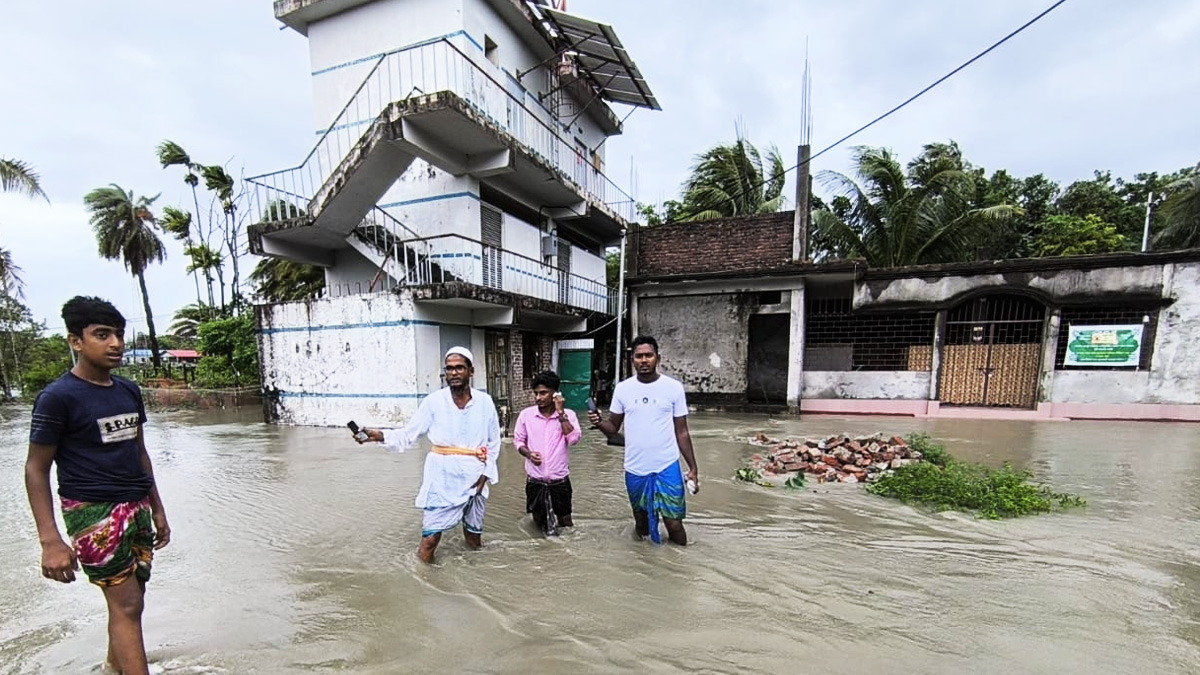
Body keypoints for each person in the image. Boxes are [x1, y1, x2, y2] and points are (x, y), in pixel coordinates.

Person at [24, 296, 171, 675]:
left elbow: (139, 452)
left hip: (136, 505)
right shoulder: (57, 398)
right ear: (76, 341)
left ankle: (111, 667)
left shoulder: (127, 392)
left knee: (133, 596)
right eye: (102, 335)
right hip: (93, 511)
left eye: (119, 334)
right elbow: (36, 469)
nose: (116, 344)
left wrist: (157, 507)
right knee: (127, 607)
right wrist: (50, 541)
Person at [355, 346, 501, 563]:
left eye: (459, 368)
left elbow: (494, 442)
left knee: (473, 536)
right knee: (430, 539)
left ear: (471, 371)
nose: (453, 373)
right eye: (449, 369)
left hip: (476, 477)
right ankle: (424, 580)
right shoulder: (433, 402)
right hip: (442, 478)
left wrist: (486, 475)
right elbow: (408, 434)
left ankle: (475, 575)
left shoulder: (485, 402)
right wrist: (378, 435)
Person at [587, 335, 699, 545]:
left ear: (658, 358)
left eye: (649, 355)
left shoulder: (673, 388)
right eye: (639, 356)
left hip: (667, 466)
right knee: (642, 524)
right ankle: (645, 568)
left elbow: (682, 432)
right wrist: (599, 421)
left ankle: (680, 569)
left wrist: (693, 468)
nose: (644, 360)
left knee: (674, 524)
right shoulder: (623, 389)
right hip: (635, 468)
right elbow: (613, 429)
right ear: (633, 360)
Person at [513, 371, 581, 536]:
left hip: (560, 482)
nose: (538, 397)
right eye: (536, 393)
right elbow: (518, 442)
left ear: (555, 394)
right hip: (535, 482)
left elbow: (573, 439)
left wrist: (561, 413)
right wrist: (529, 454)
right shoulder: (526, 415)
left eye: (543, 393)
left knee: (565, 523)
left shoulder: (568, 415)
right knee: (538, 523)